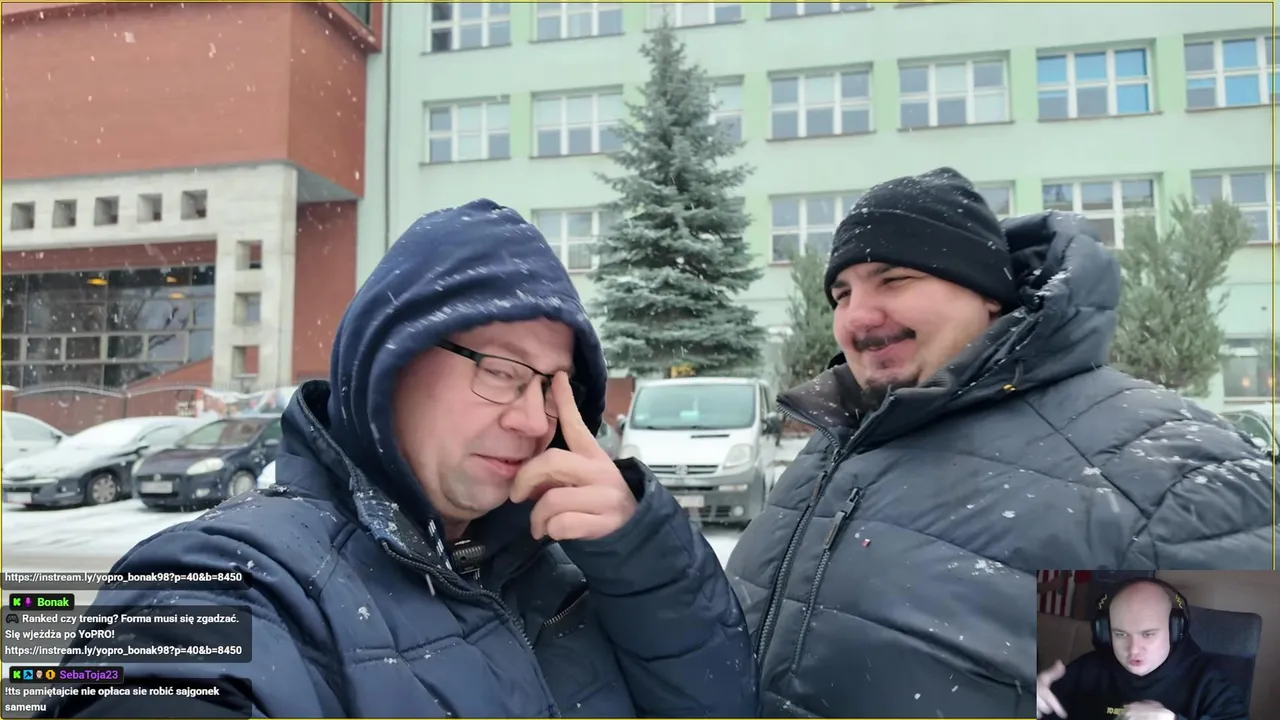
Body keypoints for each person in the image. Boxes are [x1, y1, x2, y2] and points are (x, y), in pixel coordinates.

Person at [43, 199, 758, 718]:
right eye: (501, 371)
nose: (533, 419)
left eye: (554, 388)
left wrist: (643, 558)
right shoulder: (230, 575)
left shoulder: (566, 568)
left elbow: (722, 700)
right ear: (392, 363)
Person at [725, 168, 1273, 718]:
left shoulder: (1171, 479)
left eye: (894, 280)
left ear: (987, 294)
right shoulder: (838, 441)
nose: (856, 317)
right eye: (842, 294)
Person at [1036, 578, 1249, 720]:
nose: (1133, 650)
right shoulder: (1086, 670)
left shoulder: (1209, 679)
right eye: (1121, 634)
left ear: (1175, 630)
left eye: (1148, 634)